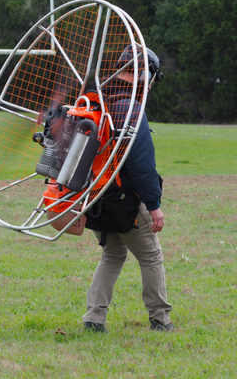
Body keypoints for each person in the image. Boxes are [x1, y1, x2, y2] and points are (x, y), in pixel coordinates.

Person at [82, 45, 174, 333]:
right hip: (124, 201)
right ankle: (160, 319)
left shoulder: (95, 101)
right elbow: (142, 165)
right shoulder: (131, 109)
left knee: (112, 255)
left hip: (93, 198)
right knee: (150, 255)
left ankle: (94, 320)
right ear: (145, 74)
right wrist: (154, 205)